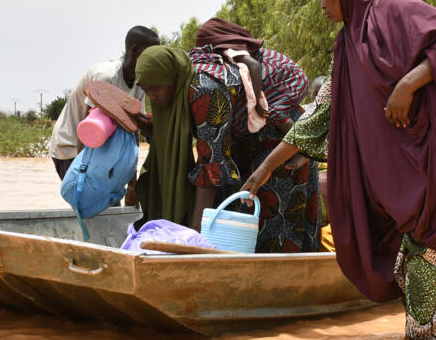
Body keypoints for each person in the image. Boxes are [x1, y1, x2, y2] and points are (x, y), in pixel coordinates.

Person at [242, 0, 436, 340]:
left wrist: (408, 84)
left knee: (435, 249)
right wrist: (264, 169)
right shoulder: (347, 46)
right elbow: (318, 115)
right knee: (419, 253)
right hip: (410, 163)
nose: (322, 5)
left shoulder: (396, 8)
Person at [135, 38, 320, 253]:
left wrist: (195, 235)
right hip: (244, 146)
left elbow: (212, 166)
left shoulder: (205, 89)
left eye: (155, 89)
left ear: (172, 78)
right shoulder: (182, 84)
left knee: (268, 228)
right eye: (146, 91)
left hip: (278, 147)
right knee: (230, 223)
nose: (152, 96)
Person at [49, 26, 159, 180]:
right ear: (134, 50)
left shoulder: (139, 83)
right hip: (71, 147)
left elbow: (132, 127)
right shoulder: (106, 77)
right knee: (89, 198)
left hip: (102, 150)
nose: (154, 61)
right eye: (149, 54)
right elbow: (88, 129)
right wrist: (84, 174)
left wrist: (132, 178)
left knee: (111, 201)